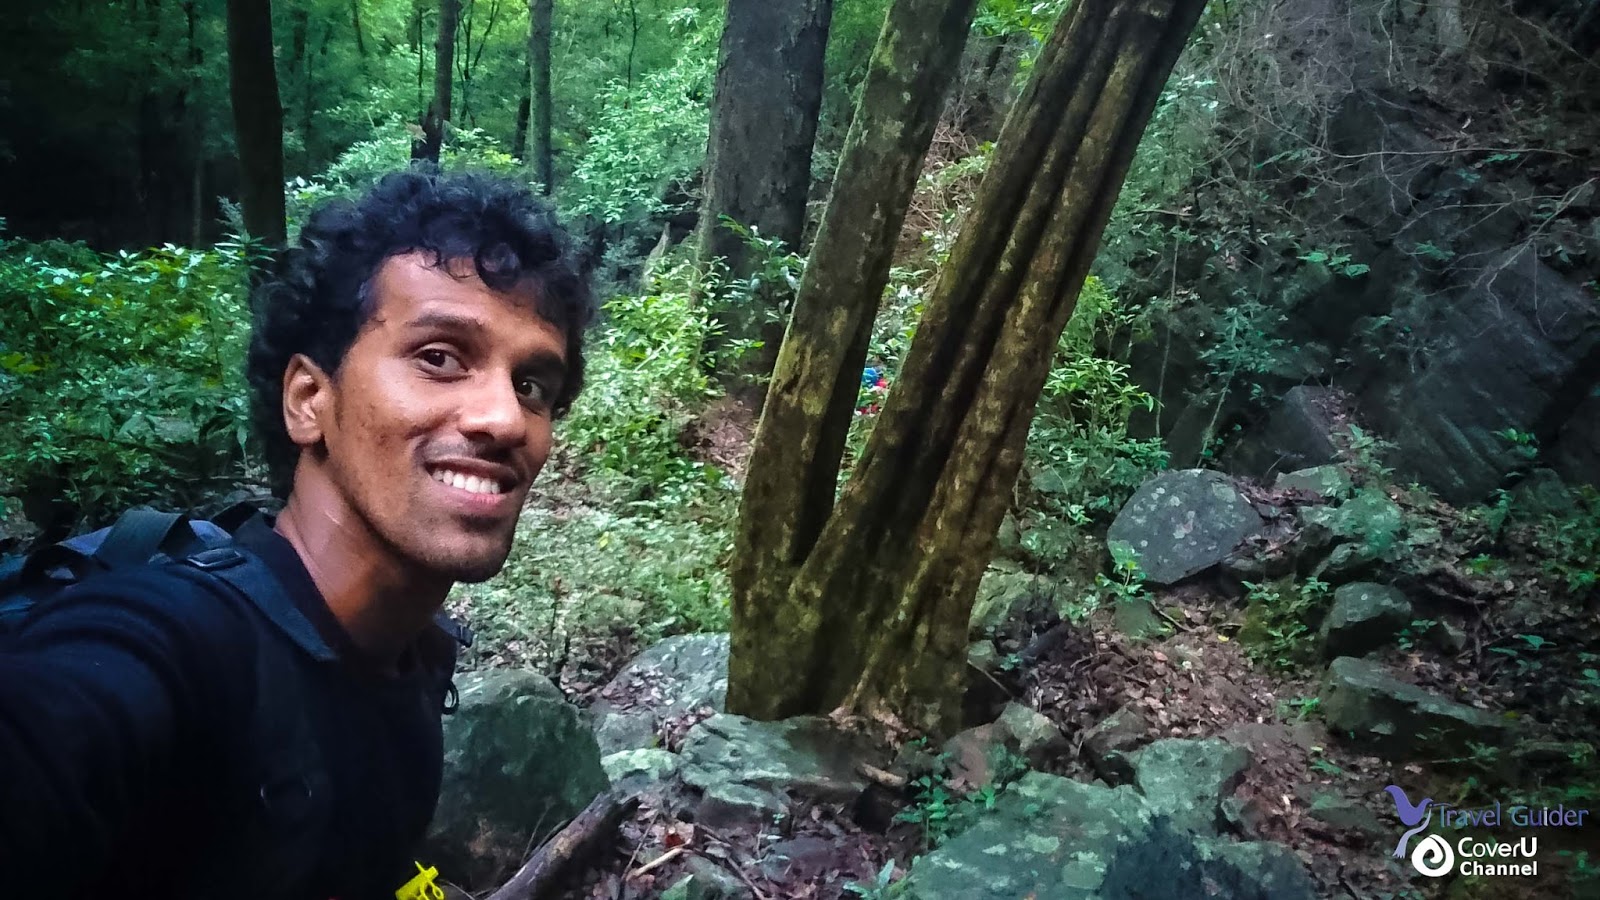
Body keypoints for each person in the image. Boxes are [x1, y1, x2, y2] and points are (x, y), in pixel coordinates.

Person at [0, 169, 593, 898]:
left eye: (531, 385)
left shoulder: (414, 662)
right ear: (309, 399)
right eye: (439, 358)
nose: (505, 418)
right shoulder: (171, 648)